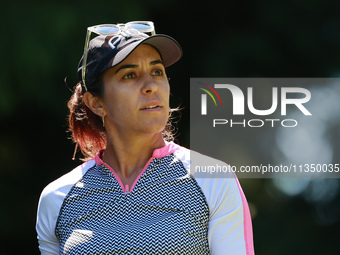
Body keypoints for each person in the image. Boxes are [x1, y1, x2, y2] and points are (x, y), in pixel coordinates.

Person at [36, 21, 255, 255]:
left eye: (157, 71)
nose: (151, 85)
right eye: (129, 75)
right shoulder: (57, 199)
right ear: (96, 103)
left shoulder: (213, 180)